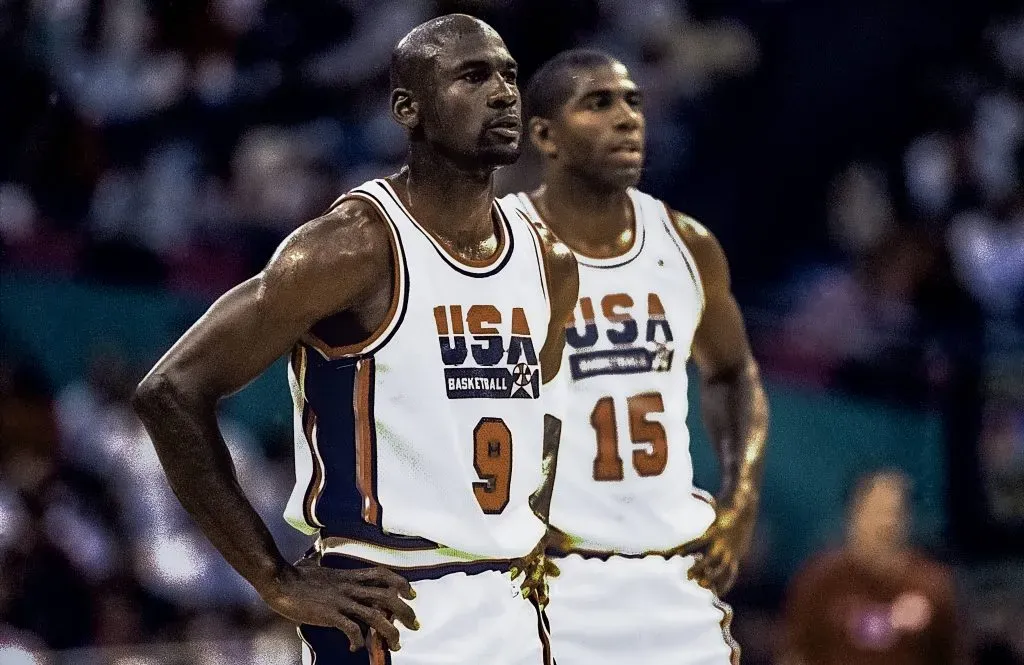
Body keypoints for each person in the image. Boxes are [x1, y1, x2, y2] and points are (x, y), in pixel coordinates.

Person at [132, 14, 578, 665]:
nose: (504, 92)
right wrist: (274, 578)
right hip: (388, 605)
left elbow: (543, 420)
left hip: (511, 602)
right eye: (473, 75)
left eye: (509, 75)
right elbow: (169, 390)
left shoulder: (543, 255)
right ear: (409, 108)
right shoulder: (353, 247)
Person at [504, 49, 769, 665]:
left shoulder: (687, 244)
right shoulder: (499, 246)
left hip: (673, 569)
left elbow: (733, 372)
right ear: (544, 135)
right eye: (599, 103)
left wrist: (740, 500)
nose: (628, 117)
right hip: (547, 574)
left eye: (633, 101)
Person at [781, 469, 958, 665]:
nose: (886, 522)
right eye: (877, 511)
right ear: (853, 514)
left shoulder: (932, 586)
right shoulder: (820, 580)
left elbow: (952, 655)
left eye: (895, 512)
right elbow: (794, 654)